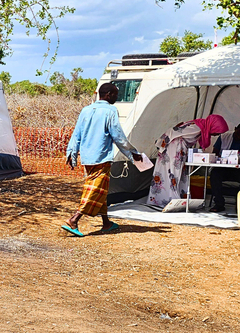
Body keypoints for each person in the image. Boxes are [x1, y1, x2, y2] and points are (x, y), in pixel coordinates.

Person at [62, 82, 141, 235]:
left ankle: (106, 223)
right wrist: (132, 153)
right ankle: (74, 220)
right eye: (116, 95)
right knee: (95, 189)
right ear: (109, 94)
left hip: (87, 158)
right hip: (101, 157)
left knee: (100, 190)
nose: (116, 98)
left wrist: (71, 152)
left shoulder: (86, 110)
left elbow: (76, 134)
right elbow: (118, 136)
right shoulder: (110, 111)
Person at [147, 116, 228, 208]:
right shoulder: (197, 128)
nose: (215, 135)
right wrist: (161, 143)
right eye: (216, 132)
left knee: (176, 174)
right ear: (213, 126)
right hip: (174, 149)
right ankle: (170, 199)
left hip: (179, 149)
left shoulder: (200, 126)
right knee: (172, 174)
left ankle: (169, 198)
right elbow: (173, 131)